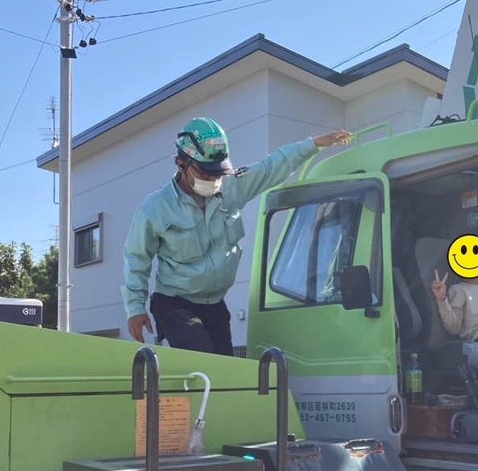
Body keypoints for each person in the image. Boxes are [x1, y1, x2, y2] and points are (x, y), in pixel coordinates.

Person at [122, 116, 351, 355]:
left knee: (225, 368)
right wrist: (135, 309)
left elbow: (271, 167)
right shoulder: (154, 209)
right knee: (202, 352)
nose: (214, 179)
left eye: (219, 172)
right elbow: (137, 260)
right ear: (181, 163)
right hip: (174, 303)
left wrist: (314, 144)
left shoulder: (231, 188)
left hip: (214, 304)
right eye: (207, 172)